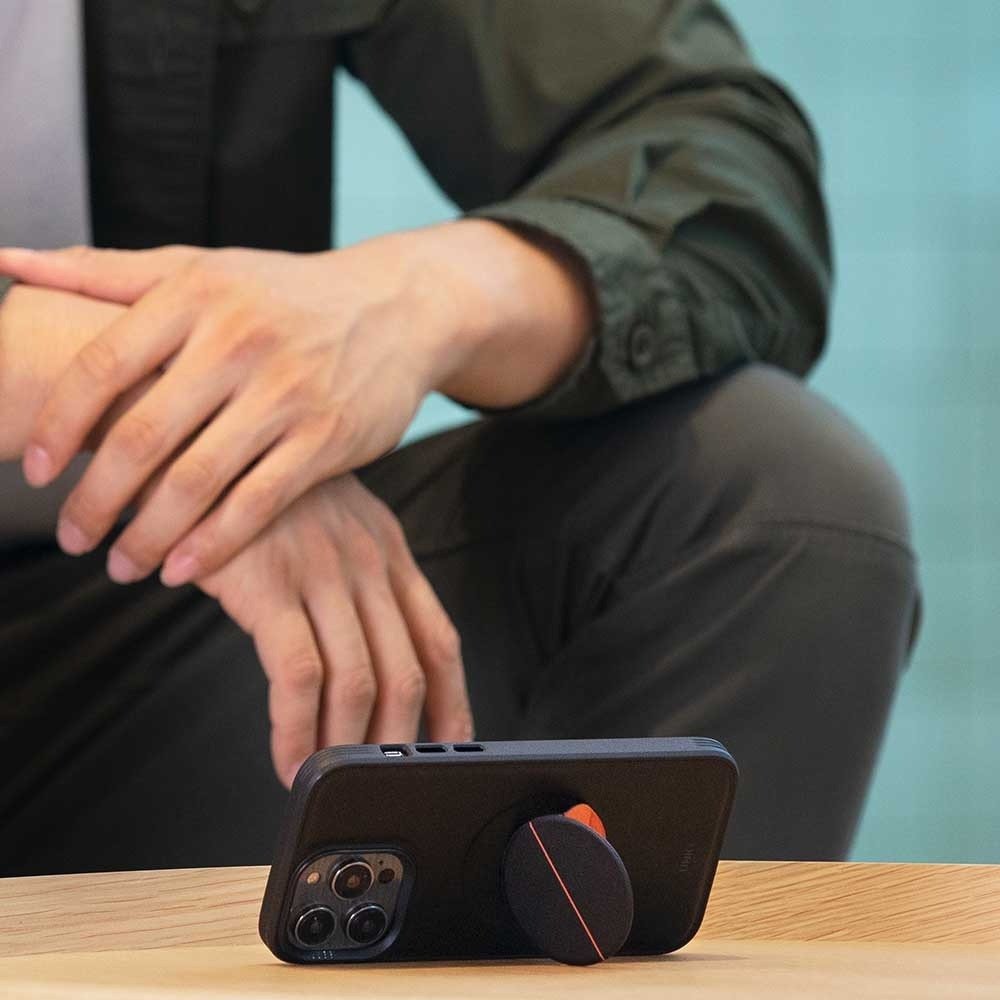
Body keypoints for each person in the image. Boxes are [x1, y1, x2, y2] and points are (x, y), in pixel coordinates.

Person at [0, 0, 919, 874]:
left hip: (119, 640)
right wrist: (130, 386)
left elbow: (718, 153)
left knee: (771, 499)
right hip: (142, 577)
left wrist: (420, 300)